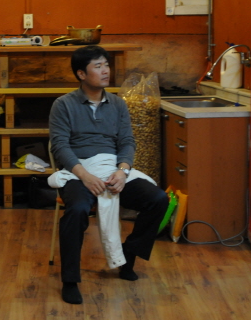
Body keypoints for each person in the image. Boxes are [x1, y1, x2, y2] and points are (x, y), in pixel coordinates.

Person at [48, 45, 168, 305]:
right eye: (98, 66)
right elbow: (60, 146)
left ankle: (128, 256)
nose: (105, 71)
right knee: (77, 210)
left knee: (158, 199)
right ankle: (70, 280)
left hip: (112, 168)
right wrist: (85, 176)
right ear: (81, 74)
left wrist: (122, 171)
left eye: (106, 65)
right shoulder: (63, 105)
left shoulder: (117, 104)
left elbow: (126, 142)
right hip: (78, 170)